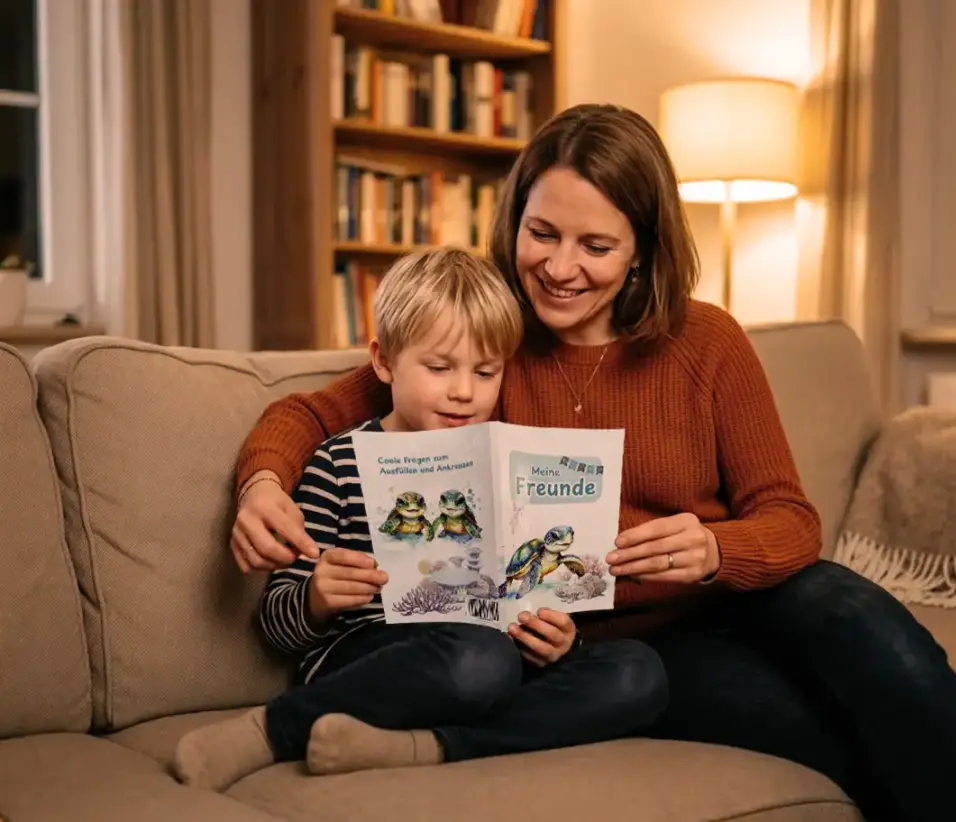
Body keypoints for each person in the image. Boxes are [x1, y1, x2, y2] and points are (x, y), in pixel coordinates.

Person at [228, 105, 956, 820]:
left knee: (861, 623)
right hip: (610, 649)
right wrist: (263, 481)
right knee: (834, 736)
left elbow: (792, 520)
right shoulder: (486, 341)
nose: (560, 266)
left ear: (643, 250)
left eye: (597, 245)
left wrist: (715, 549)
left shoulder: (707, 342)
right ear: (513, 223)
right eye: (541, 234)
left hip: (727, 598)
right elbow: (315, 412)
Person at [173, 247, 669, 792]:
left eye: (486, 372)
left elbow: (533, 598)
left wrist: (559, 639)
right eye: (439, 368)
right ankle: (272, 730)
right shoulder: (339, 463)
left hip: (495, 653)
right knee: (481, 659)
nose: (464, 391)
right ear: (383, 361)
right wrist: (316, 596)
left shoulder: (506, 461)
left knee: (639, 672)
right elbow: (273, 627)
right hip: (383, 656)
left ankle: (427, 748)